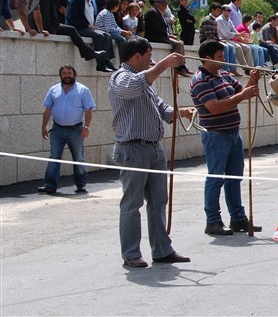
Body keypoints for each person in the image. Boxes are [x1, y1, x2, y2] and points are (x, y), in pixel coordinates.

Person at [108, 37, 194, 267]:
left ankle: (162, 249)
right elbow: (133, 87)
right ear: (136, 56)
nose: (151, 60)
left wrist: (181, 112)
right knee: (132, 203)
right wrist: (164, 64)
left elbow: (162, 109)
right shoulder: (121, 78)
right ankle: (131, 253)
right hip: (132, 148)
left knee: (158, 201)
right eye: (148, 55)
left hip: (153, 148)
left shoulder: (146, 82)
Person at [190, 40, 262, 235]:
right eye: (220, 57)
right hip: (216, 135)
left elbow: (241, 91)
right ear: (207, 58)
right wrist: (243, 96)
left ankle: (238, 218)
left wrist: (253, 80)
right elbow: (214, 107)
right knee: (216, 178)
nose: (223, 60)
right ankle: (212, 221)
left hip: (232, 134)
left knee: (234, 178)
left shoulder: (224, 75)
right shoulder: (199, 80)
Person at [37, 65, 94, 194]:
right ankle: (50, 185)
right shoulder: (54, 90)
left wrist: (87, 127)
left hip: (76, 130)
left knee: (78, 158)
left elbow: (89, 109)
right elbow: (47, 110)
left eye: (69, 73)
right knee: (54, 157)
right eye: (64, 73)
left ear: (74, 75)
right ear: (60, 75)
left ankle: (81, 185)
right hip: (57, 129)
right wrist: (44, 127)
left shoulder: (83, 90)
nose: (67, 75)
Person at [37, 0, 111, 71]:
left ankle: (106, 60)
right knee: (73, 30)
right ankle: (89, 53)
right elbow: (44, 15)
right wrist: (46, 29)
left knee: (106, 35)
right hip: (63, 27)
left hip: (56, 25)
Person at [66, 0, 117, 71]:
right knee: (99, 36)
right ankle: (100, 63)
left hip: (89, 27)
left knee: (107, 36)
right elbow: (71, 18)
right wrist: (87, 25)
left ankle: (107, 60)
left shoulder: (90, 0)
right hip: (79, 28)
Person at [144, 0, 191, 77]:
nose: (165, 7)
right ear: (159, 4)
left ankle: (182, 65)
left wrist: (169, 35)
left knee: (180, 42)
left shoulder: (159, 13)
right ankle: (180, 67)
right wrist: (168, 35)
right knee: (178, 44)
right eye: (164, 4)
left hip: (161, 36)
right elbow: (156, 28)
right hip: (155, 37)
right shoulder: (153, 13)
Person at [200, 2, 240, 75]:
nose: (219, 13)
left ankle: (233, 69)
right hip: (206, 42)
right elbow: (209, 36)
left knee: (231, 47)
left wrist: (220, 40)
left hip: (213, 40)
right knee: (225, 47)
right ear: (212, 10)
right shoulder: (207, 20)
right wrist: (219, 40)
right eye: (217, 10)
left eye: (219, 11)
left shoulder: (214, 20)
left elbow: (215, 34)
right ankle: (225, 70)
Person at [216, 4, 253, 69]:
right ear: (223, 11)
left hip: (230, 40)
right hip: (222, 40)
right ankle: (245, 68)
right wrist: (238, 35)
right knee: (237, 47)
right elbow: (226, 34)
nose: (230, 12)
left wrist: (242, 38)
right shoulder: (219, 20)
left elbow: (234, 30)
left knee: (247, 48)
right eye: (228, 10)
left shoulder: (229, 20)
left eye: (230, 10)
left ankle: (251, 68)